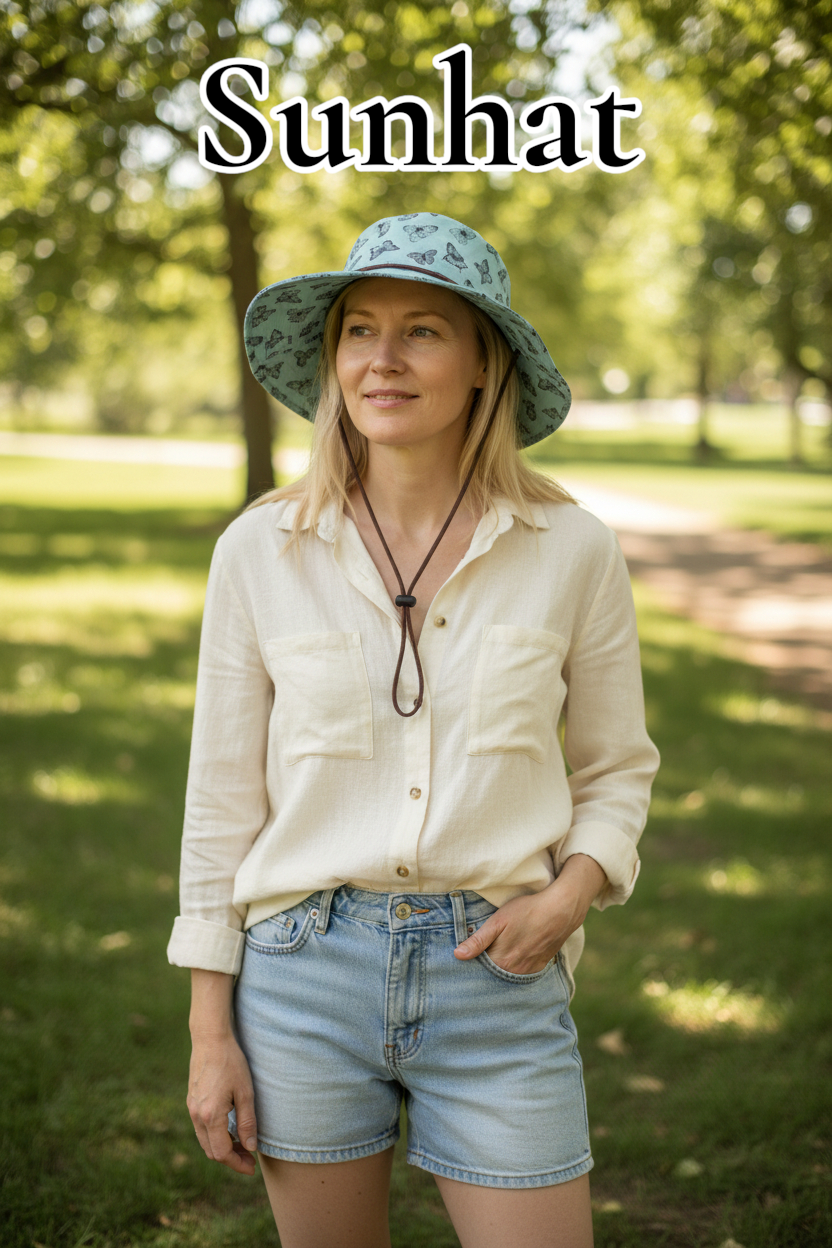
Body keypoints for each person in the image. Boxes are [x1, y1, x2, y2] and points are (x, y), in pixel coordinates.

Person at [167, 212, 660, 1248]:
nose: (381, 360)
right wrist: (212, 1034)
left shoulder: (570, 549)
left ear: (485, 363)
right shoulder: (261, 548)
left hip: (499, 966)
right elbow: (219, 800)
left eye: (423, 331)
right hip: (300, 971)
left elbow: (617, 769)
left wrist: (569, 895)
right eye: (359, 330)